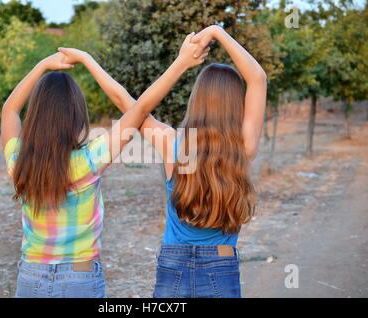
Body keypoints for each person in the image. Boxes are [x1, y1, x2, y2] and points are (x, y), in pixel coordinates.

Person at [1, 33, 208, 297]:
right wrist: (180, 62)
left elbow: (9, 110)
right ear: (77, 115)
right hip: (81, 278)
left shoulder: (19, 163)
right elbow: (140, 107)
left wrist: (41, 66)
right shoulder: (90, 160)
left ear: (35, 115)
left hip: (31, 277)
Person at [104, 25, 267, 298]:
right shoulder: (242, 147)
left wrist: (181, 63)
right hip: (221, 262)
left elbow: (129, 103)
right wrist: (217, 32)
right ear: (236, 103)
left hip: (173, 263)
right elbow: (258, 79)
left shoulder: (172, 142)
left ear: (197, 100)